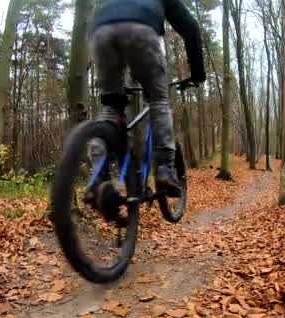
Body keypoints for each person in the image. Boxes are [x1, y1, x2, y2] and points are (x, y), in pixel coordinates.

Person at [86, 0, 206, 205]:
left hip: (101, 31)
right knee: (158, 100)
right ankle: (166, 170)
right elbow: (191, 28)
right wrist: (197, 74)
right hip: (141, 31)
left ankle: (97, 176)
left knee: (111, 106)